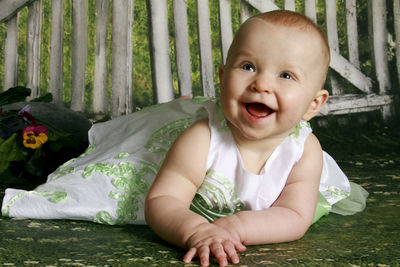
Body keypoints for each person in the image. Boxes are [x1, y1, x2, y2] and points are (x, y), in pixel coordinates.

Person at [2, 10, 367, 267]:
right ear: (223, 77)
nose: (262, 83)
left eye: (286, 75)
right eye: (248, 66)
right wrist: (195, 230)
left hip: (256, 211)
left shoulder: (304, 151)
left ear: (313, 104)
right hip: (190, 170)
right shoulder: (201, 138)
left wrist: (235, 226)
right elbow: (163, 198)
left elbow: (294, 215)